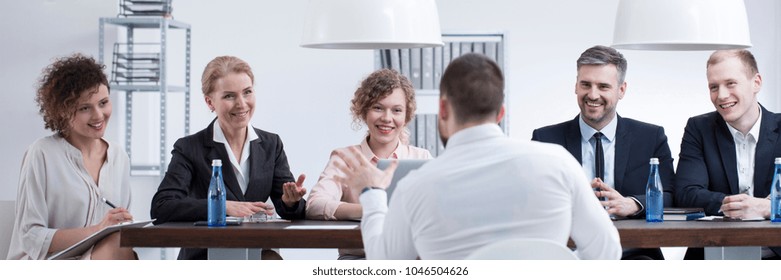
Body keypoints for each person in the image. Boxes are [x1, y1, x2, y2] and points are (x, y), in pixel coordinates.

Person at [332, 53, 621, 260]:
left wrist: (371, 193)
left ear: (443, 110)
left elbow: (386, 265)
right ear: (501, 114)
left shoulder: (416, 187)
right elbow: (607, 251)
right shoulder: (559, 164)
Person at [150, 56, 307, 260]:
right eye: (229, 96)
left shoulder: (271, 144)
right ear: (210, 102)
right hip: (205, 257)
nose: (241, 104)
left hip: (257, 254)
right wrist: (223, 207)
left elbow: (290, 209)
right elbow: (162, 206)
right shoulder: (189, 148)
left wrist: (290, 202)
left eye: (247, 92)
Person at [531, 45, 674, 260]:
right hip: (567, 254)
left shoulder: (651, 137)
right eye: (585, 84)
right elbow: (531, 200)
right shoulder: (545, 140)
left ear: (621, 90)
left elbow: (672, 196)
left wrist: (633, 204)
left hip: (635, 253)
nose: (593, 94)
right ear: (576, 86)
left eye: (603, 86)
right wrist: (571, 200)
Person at [7, 54, 135, 260]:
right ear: (63, 112)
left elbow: (121, 227)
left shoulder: (118, 156)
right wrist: (98, 229)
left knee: (119, 242)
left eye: (103, 103)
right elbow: (31, 236)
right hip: (47, 263)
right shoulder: (41, 154)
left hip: (101, 257)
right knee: (115, 245)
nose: (98, 115)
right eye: (85, 108)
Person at [305, 69, 432, 259]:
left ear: (406, 116)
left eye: (396, 110)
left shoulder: (422, 158)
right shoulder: (345, 158)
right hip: (358, 260)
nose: (387, 118)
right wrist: (370, 209)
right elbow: (315, 205)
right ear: (364, 111)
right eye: (378, 108)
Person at [675, 49, 781, 259]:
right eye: (714, 87)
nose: (721, 95)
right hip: (714, 254)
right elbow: (685, 193)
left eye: (731, 83)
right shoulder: (699, 128)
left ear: (756, 82)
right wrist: (741, 206)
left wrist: (768, 208)